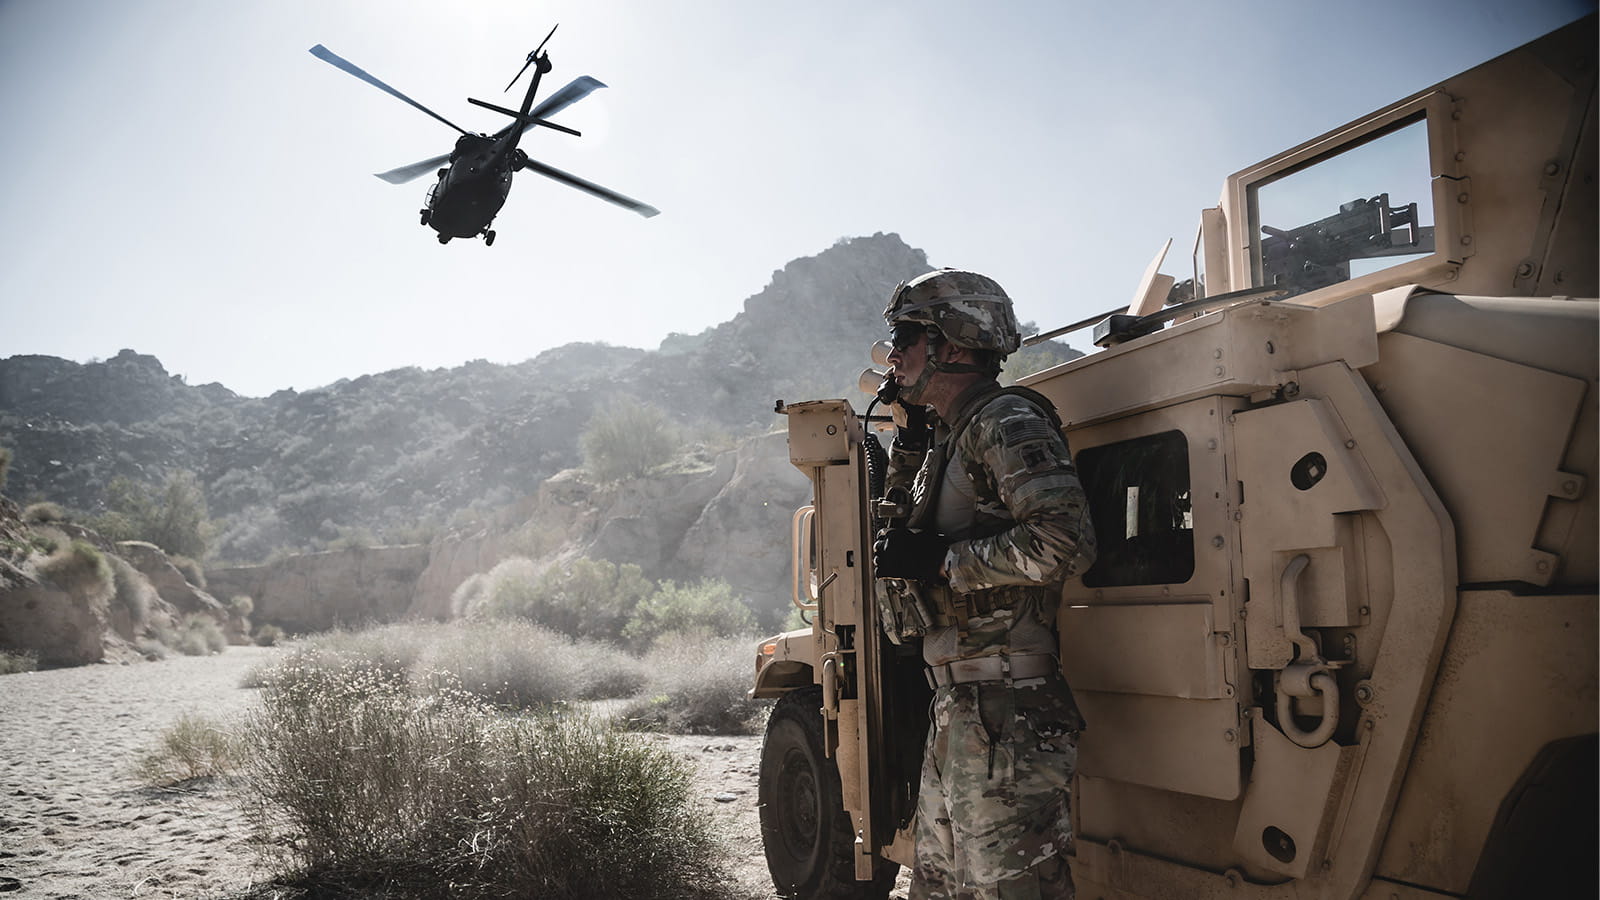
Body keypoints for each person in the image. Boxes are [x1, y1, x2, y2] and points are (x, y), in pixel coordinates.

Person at [872, 268, 1097, 900]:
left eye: (905, 337)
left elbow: (1065, 541)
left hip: (1008, 710)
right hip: (961, 708)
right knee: (939, 888)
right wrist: (908, 446)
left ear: (953, 342)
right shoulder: (947, 438)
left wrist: (944, 563)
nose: (893, 355)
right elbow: (905, 538)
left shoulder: (1007, 420)